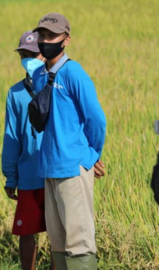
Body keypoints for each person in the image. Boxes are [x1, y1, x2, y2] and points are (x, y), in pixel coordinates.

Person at [31, 13, 107, 269]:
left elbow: (96, 119)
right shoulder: (40, 75)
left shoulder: (74, 73)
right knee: (58, 243)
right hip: (49, 168)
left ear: (66, 40)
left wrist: (91, 156)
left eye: (51, 36)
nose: (45, 40)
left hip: (72, 168)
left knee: (79, 243)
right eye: (42, 36)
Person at [2, 30, 55, 270]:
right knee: (26, 231)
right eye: (23, 53)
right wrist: (11, 175)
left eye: (32, 53)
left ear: (43, 54)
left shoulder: (57, 86)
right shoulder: (15, 93)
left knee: (58, 232)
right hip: (27, 174)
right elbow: (11, 136)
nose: (28, 57)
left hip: (55, 172)